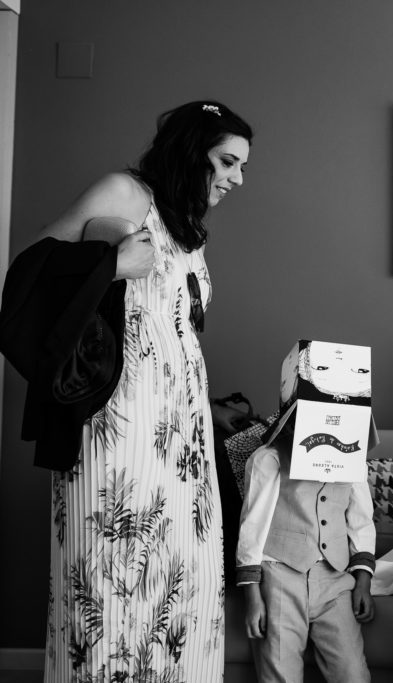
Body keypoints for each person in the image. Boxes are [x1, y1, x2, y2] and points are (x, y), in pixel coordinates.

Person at [36, 101, 253, 682]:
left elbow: (166, 331)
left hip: (183, 440)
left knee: (181, 586)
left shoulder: (187, 228)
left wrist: (202, 407)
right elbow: (30, 272)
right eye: (227, 161)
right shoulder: (124, 193)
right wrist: (108, 265)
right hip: (118, 427)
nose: (237, 178)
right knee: (110, 582)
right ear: (191, 150)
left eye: (241, 166)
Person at [236, 415, 375, 683]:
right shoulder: (268, 458)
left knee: (353, 674)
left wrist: (363, 581)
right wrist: (253, 596)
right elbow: (252, 526)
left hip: (334, 579)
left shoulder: (354, 459)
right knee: (280, 673)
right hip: (280, 577)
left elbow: (361, 520)